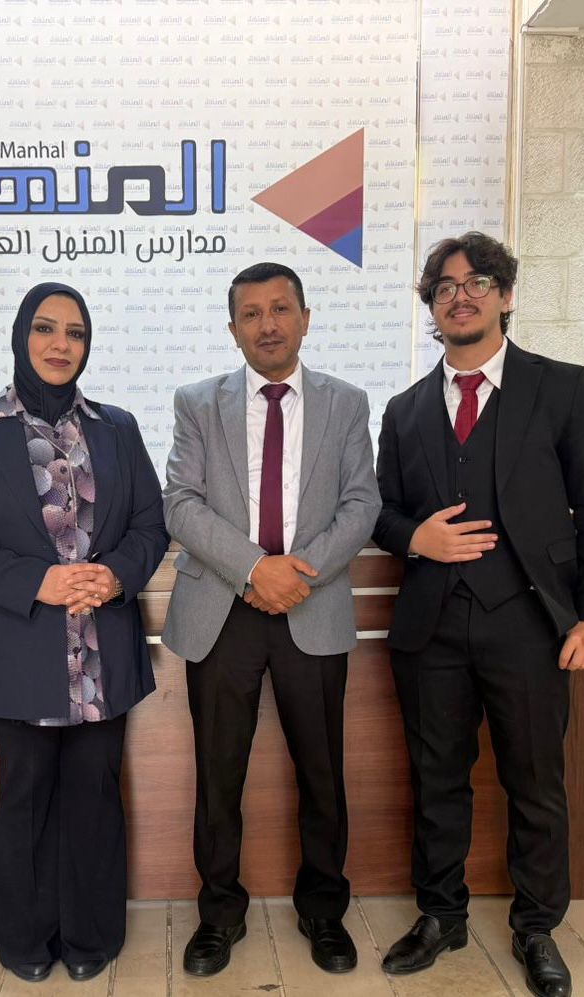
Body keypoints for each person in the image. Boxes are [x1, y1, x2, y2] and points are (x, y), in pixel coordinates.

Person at [373, 232, 584, 997]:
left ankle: (536, 926)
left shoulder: (561, 387)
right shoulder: (404, 409)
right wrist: (413, 536)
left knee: (535, 783)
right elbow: (380, 511)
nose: (461, 295)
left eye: (477, 281)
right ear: (430, 305)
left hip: (529, 623)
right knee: (435, 781)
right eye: (445, 286)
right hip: (430, 628)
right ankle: (440, 914)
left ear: (505, 295)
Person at [0, 282, 168, 985]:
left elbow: (150, 524)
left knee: (94, 789)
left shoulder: (117, 427)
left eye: (75, 332)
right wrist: (39, 581)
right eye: (45, 328)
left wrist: (114, 575)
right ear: (20, 336)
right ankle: (22, 934)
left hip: (102, 649)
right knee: (25, 789)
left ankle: (92, 932)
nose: (61, 344)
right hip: (20, 647)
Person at [162, 262, 382, 977]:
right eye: (251, 314)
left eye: (280, 309)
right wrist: (257, 569)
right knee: (217, 775)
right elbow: (180, 503)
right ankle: (219, 915)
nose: (267, 325)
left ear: (305, 318)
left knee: (321, 772)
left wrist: (296, 574)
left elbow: (361, 503)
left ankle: (323, 910)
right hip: (221, 610)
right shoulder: (198, 403)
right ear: (233, 329)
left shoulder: (346, 403)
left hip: (311, 606)